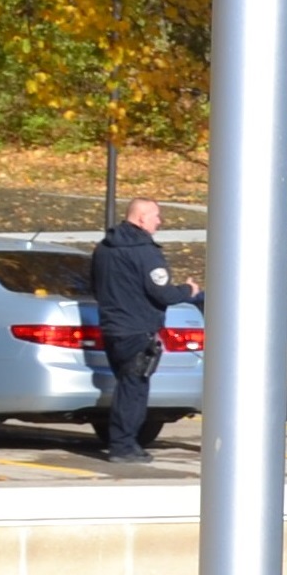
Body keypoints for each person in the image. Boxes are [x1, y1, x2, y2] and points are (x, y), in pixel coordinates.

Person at [88, 198, 199, 464]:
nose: (159, 221)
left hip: (112, 328)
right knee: (134, 389)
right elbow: (160, 291)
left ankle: (123, 442)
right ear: (140, 218)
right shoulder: (145, 251)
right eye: (156, 216)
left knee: (125, 385)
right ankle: (124, 446)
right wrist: (187, 290)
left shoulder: (104, 249)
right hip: (138, 330)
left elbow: (95, 286)